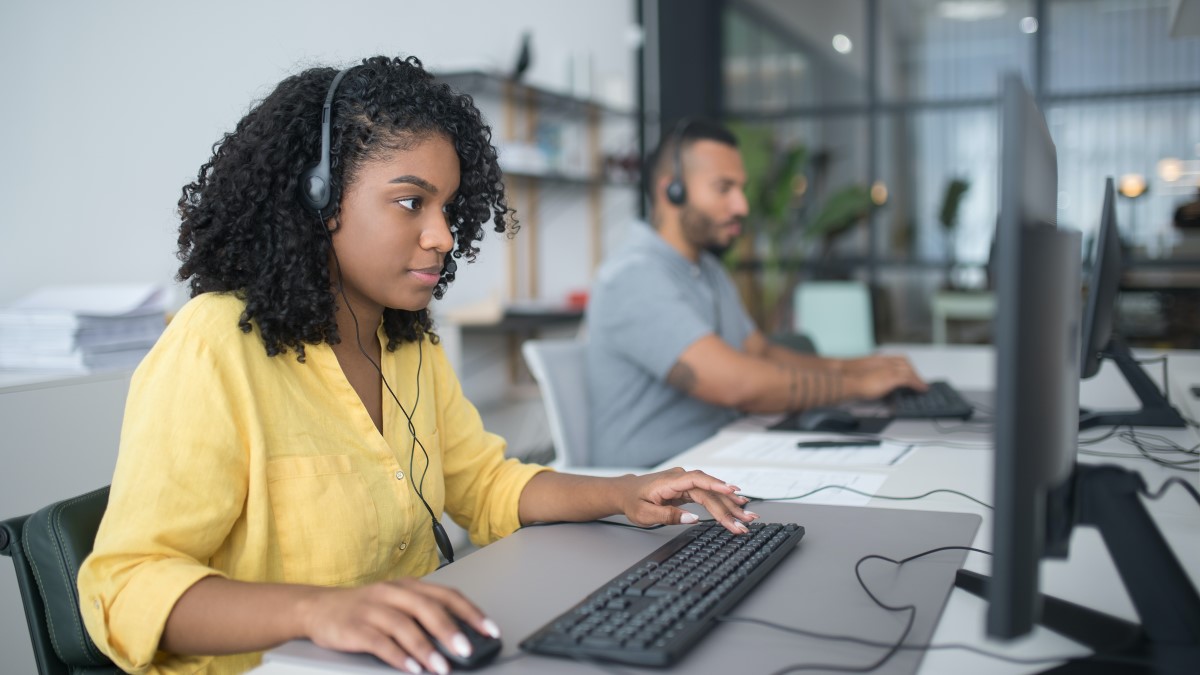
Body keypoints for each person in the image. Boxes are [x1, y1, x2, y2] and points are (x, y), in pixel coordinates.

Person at [76, 57, 756, 675]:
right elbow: (128, 583)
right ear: (318, 197)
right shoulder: (215, 344)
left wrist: (621, 492)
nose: (442, 236)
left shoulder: (409, 343)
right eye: (411, 203)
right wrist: (319, 610)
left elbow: (484, 484)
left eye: (447, 207)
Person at [586, 118, 927, 467]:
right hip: (654, 486)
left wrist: (855, 366)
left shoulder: (708, 270)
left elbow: (760, 351)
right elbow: (738, 385)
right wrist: (856, 386)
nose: (741, 206)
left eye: (740, 189)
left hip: (721, 456)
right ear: (671, 189)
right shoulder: (633, 277)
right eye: (724, 188)